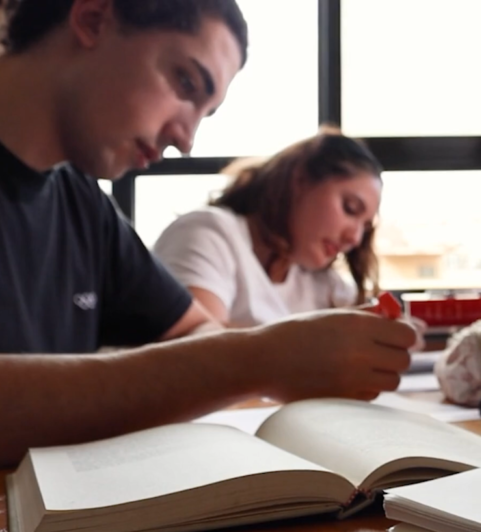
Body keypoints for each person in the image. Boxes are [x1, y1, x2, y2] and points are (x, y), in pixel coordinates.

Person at [0, 0, 415, 468]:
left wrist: (280, 353)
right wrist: (262, 360)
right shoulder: (204, 230)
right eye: (185, 82)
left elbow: (196, 330)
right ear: (93, 19)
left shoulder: (82, 202)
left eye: (206, 112)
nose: (186, 140)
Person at [153, 127, 385, 327]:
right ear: (300, 180)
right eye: (350, 208)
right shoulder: (209, 232)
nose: (354, 238)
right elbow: (198, 348)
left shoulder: (320, 281)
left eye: (365, 227)